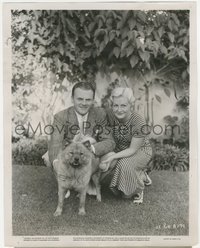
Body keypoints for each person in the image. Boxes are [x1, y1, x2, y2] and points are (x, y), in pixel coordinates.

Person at [44, 82, 115, 197]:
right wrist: (58, 166)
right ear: (72, 99)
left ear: (93, 100)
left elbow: (109, 142)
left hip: (90, 157)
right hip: (69, 156)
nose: (84, 103)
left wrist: (90, 148)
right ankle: (66, 184)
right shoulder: (61, 116)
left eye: (88, 100)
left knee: (112, 157)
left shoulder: (100, 114)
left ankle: (89, 183)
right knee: (48, 157)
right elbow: (55, 144)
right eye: (80, 99)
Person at [99, 87, 152, 203]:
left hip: (140, 151)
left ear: (130, 106)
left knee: (124, 164)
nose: (119, 110)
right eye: (115, 105)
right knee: (101, 158)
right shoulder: (110, 115)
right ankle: (92, 186)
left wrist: (112, 157)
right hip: (119, 149)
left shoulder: (138, 121)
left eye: (123, 105)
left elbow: (132, 150)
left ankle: (138, 188)